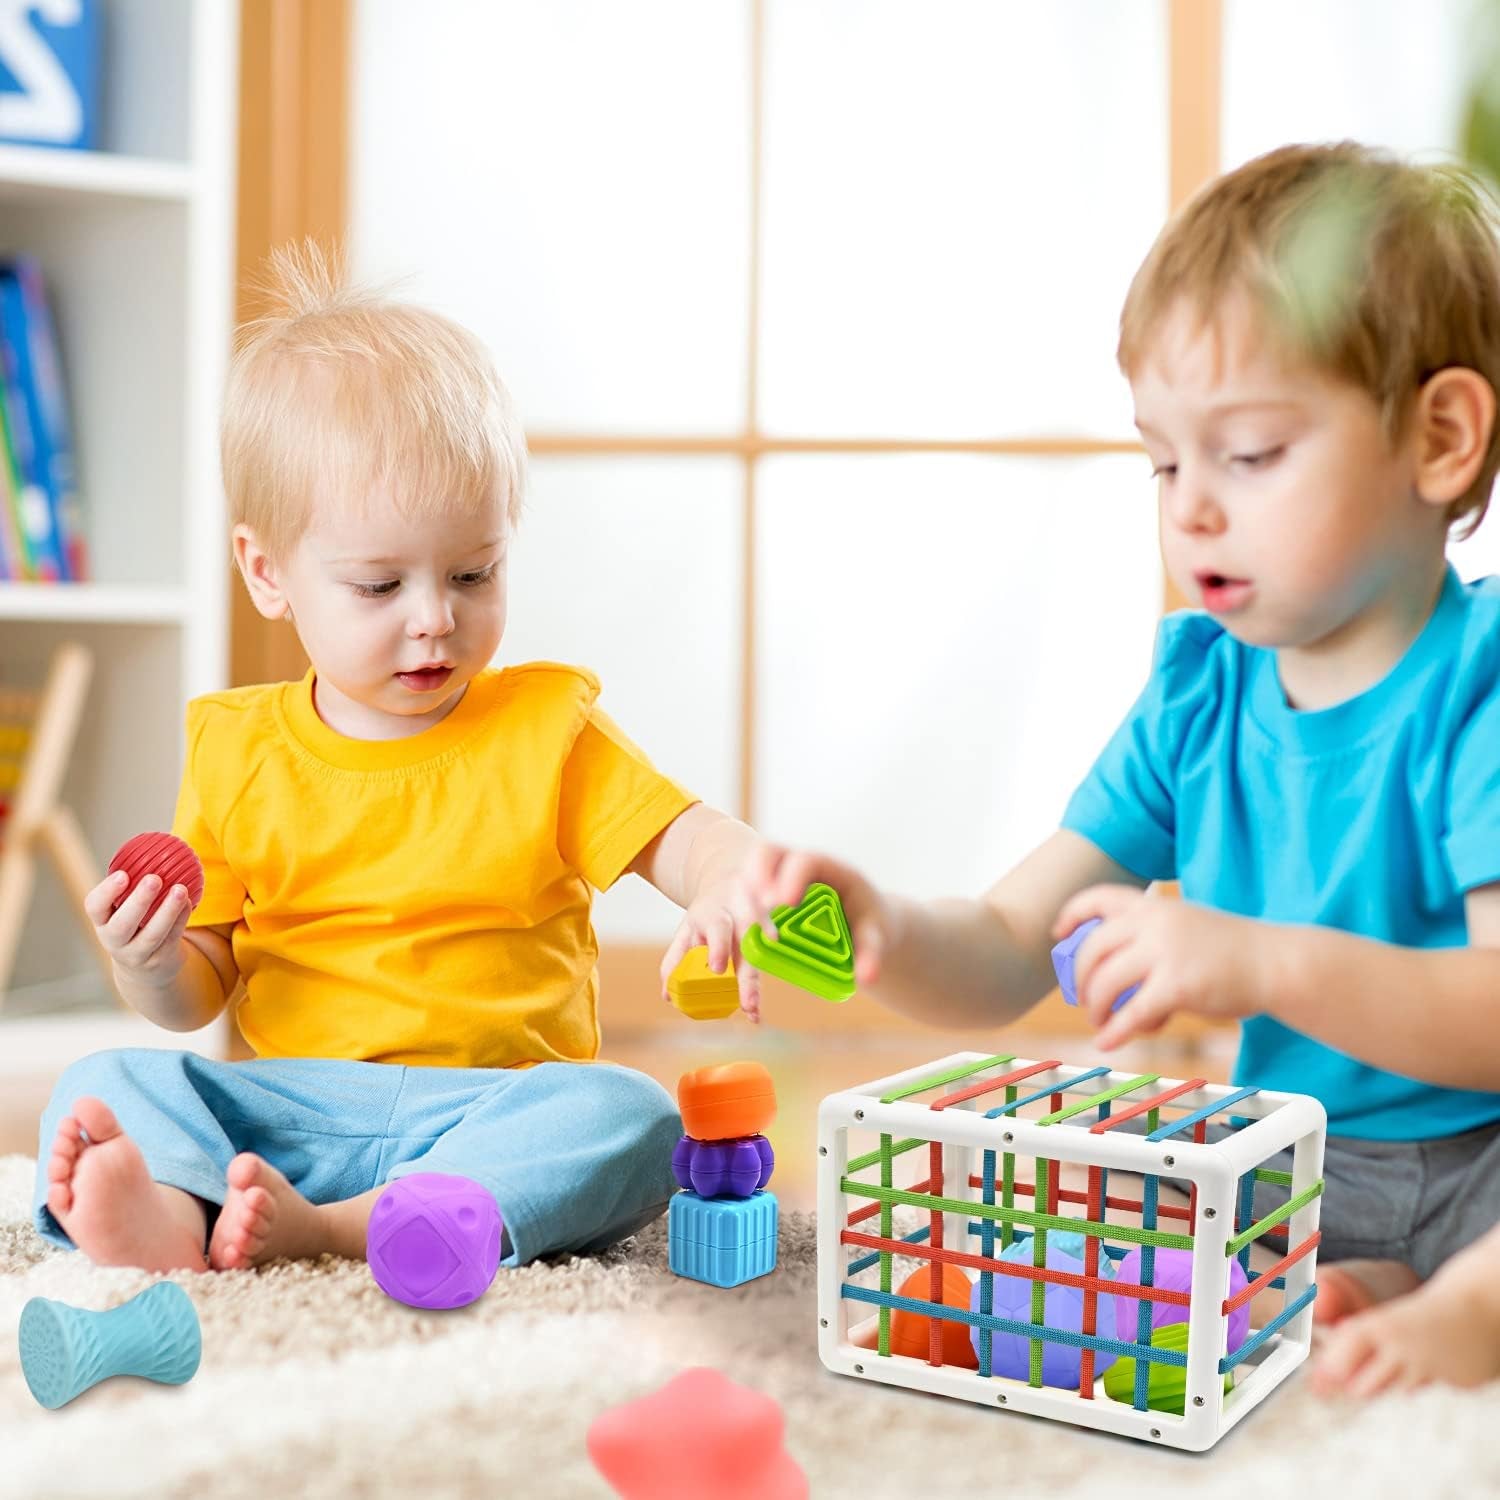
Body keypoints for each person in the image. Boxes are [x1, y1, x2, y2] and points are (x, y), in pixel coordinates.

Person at [742, 143, 1500, 1394]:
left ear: (1440, 438)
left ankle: (1463, 1309)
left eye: (1249, 454)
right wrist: (881, 922)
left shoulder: (1476, 686)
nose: (1191, 506)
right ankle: (1361, 1281)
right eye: (1164, 460)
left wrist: (1259, 961)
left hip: (1487, 1152)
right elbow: (1003, 941)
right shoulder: (1196, 698)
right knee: (1097, 1217)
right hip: (1293, 1172)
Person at [36, 247, 764, 1276]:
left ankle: (340, 1230)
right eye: (379, 587)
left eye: (474, 573)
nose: (435, 620)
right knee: (106, 1079)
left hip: (493, 1111)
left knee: (631, 1115)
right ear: (267, 572)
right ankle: (180, 1212)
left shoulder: (548, 727)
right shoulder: (238, 749)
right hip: (290, 1107)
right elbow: (196, 996)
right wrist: (147, 961)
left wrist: (729, 884)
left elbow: (694, 841)